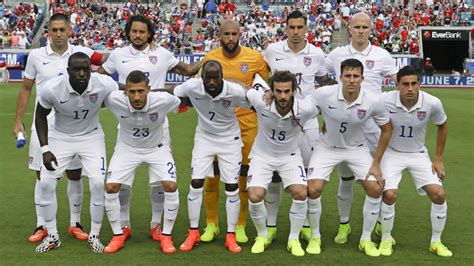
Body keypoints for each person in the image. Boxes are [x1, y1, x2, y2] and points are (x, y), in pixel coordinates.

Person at [99, 15, 201, 242]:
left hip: (157, 123)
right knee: (121, 181)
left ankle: (156, 224)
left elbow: (189, 70)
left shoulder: (163, 54)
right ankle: (123, 225)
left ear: (149, 34)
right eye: (134, 31)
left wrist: (209, 59)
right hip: (127, 123)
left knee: (159, 181)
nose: (137, 35)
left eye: (142, 32)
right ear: (128, 33)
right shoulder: (118, 55)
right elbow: (101, 79)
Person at [12, 13, 105, 244]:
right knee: (41, 174)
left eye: (62, 29)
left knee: (75, 174)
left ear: (70, 30)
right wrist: (18, 120)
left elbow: (104, 67)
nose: (58, 34)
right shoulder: (35, 56)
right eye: (54, 30)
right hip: (44, 123)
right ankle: (41, 224)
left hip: (74, 126)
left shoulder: (80, 55)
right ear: (48, 32)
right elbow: (25, 88)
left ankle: (75, 223)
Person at [306, 58, 393, 256]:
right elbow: (302, 111)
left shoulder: (373, 100)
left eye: (355, 76)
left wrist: (376, 163)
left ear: (362, 78)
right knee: (313, 189)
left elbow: (387, 129)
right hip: (327, 147)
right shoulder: (323, 94)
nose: (351, 80)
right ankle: (315, 236)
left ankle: (366, 239)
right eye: (347, 76)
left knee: (374, 188)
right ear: (340, 77)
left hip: (357, 148)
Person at [263, 10, 336, 241]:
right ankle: (271, 225)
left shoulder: (316, 53)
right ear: (285, 28)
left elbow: (324, 83)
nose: (296, 32)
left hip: (309, 121)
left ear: (306, 29)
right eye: (291, 27)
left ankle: (306, 224)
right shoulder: (272, 50)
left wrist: (329, 116)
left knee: (308, 176)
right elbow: (263, 77)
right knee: (275, 174)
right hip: (279, 120)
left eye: (300, 27)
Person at [325, 12, 398, 244]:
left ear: (370, 29)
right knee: (346, 178)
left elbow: (399, 81)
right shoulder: (336, 54)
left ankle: (378, 223)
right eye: (356, 26)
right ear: (349, 28)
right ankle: (344, 224)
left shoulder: (382, 55)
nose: (360, 31)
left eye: (365, 27)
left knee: (380, 178)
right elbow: (323, 79)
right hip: (346, 126)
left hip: (375, 127)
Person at [34, 52, 118, 253]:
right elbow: (40, 116)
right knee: (45, 183)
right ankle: (52, 236)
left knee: (98, 182)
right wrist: (45, 149)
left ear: (91, 69)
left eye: (86, 69)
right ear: (68, 71)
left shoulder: (104, 83)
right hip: (60, 136)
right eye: (76, 69)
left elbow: (126, 93)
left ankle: (94, 236)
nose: (81, 73)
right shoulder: (52, 89)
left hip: (91, 137)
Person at [201, 19, 270, 244]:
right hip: (217, 125)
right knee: (212, 177)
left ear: (240, 34)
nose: (230, 38)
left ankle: (239, 225)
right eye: (226, 34)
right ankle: (212, 223)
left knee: (243, 177)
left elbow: (265, 89)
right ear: (219, 36)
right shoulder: (210, 58)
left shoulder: (255, 58)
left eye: (234, 34)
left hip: (247, 124)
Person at [103, 71, 181, 254]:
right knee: (111, 187)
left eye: (141, 91)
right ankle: (118, 234)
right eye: (132, 92)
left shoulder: (164, 100)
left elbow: (183, 100)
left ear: (149, 90)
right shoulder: (114, 99)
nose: (137, 97)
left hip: (157, 148)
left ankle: (166, 235)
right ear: (125, 92)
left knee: (170, 185)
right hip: (127, 148)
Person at [174, 60, 248, 253]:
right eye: (209, 77)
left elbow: (252, 101)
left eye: (216, 77)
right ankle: (193, 232)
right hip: (204, 138)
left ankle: (230, 236)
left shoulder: (235, 91)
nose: (213, 82)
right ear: (202, 77)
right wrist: (182, 104)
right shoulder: (192, 86)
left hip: (229, 139)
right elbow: (177, 93)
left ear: (222, 76)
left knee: (232, 187)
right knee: (196, 183)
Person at [378, 66, 451, 257]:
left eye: (414, 84)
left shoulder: (432, 103)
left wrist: (438, 159)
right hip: (392, 153)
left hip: (418, 154)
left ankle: (436, 241)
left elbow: (442, 125)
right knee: (389, 195)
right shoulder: (384, 100)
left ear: (419, 84)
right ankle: (386, 238)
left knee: (439, 194)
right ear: (397, 85)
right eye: (405, 84)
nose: (410, 88)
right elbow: (360, 111)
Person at [246, 71, 315, 256]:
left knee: (301, 192)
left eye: (287, 91)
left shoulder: (305, 109)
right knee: (254, 195)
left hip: (290, 156)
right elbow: (245, 88)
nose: (282, 96)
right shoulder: (261, 101)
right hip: (262, 156)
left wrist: (328, 125)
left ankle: (293, 239)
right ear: (272, 90)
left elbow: (327, 106)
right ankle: (262, 235)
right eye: (278, 91)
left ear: (294, 91)